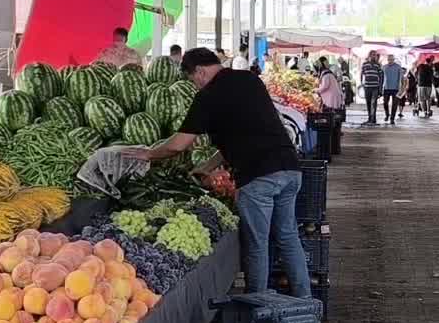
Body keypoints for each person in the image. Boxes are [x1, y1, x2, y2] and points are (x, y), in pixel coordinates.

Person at [130, 48, 308, 296]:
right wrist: (206, 167)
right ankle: (305, 300)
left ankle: (257, 305)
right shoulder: (249, 79)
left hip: (258, 176)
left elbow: (179, 144)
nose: (195, 86)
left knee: (257, 245)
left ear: (200, 71)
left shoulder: (208, 96)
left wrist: (148, 153)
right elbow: (244, 133)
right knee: (288, 237)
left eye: (193, 80)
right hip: (290, 168)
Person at [360, 51, 384, 125]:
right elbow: (362, 74)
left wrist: (380, 87)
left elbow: (381, 76)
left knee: (373, 103)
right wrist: (362, 83)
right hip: (367, 87)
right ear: (369, 55)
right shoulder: (364, 64)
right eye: (373, 55)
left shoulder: (378, 65)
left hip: (375, 87)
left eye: (375, 55)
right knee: (368, 103)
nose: (374, 56)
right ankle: (370, 119)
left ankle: (373, 119)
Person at [382, 54, 405, 124]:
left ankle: (392, 118)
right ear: (387, 59)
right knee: (385, 103)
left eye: (391, 59)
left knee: (395, 104)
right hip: (386, 87)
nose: (390, 61)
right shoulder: (384, 67)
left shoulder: (398, 67)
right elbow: (382, 78)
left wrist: (401, 88)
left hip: (396, 88)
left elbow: (401, 78)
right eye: (389, 59)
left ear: (394, 59)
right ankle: (387, 115)